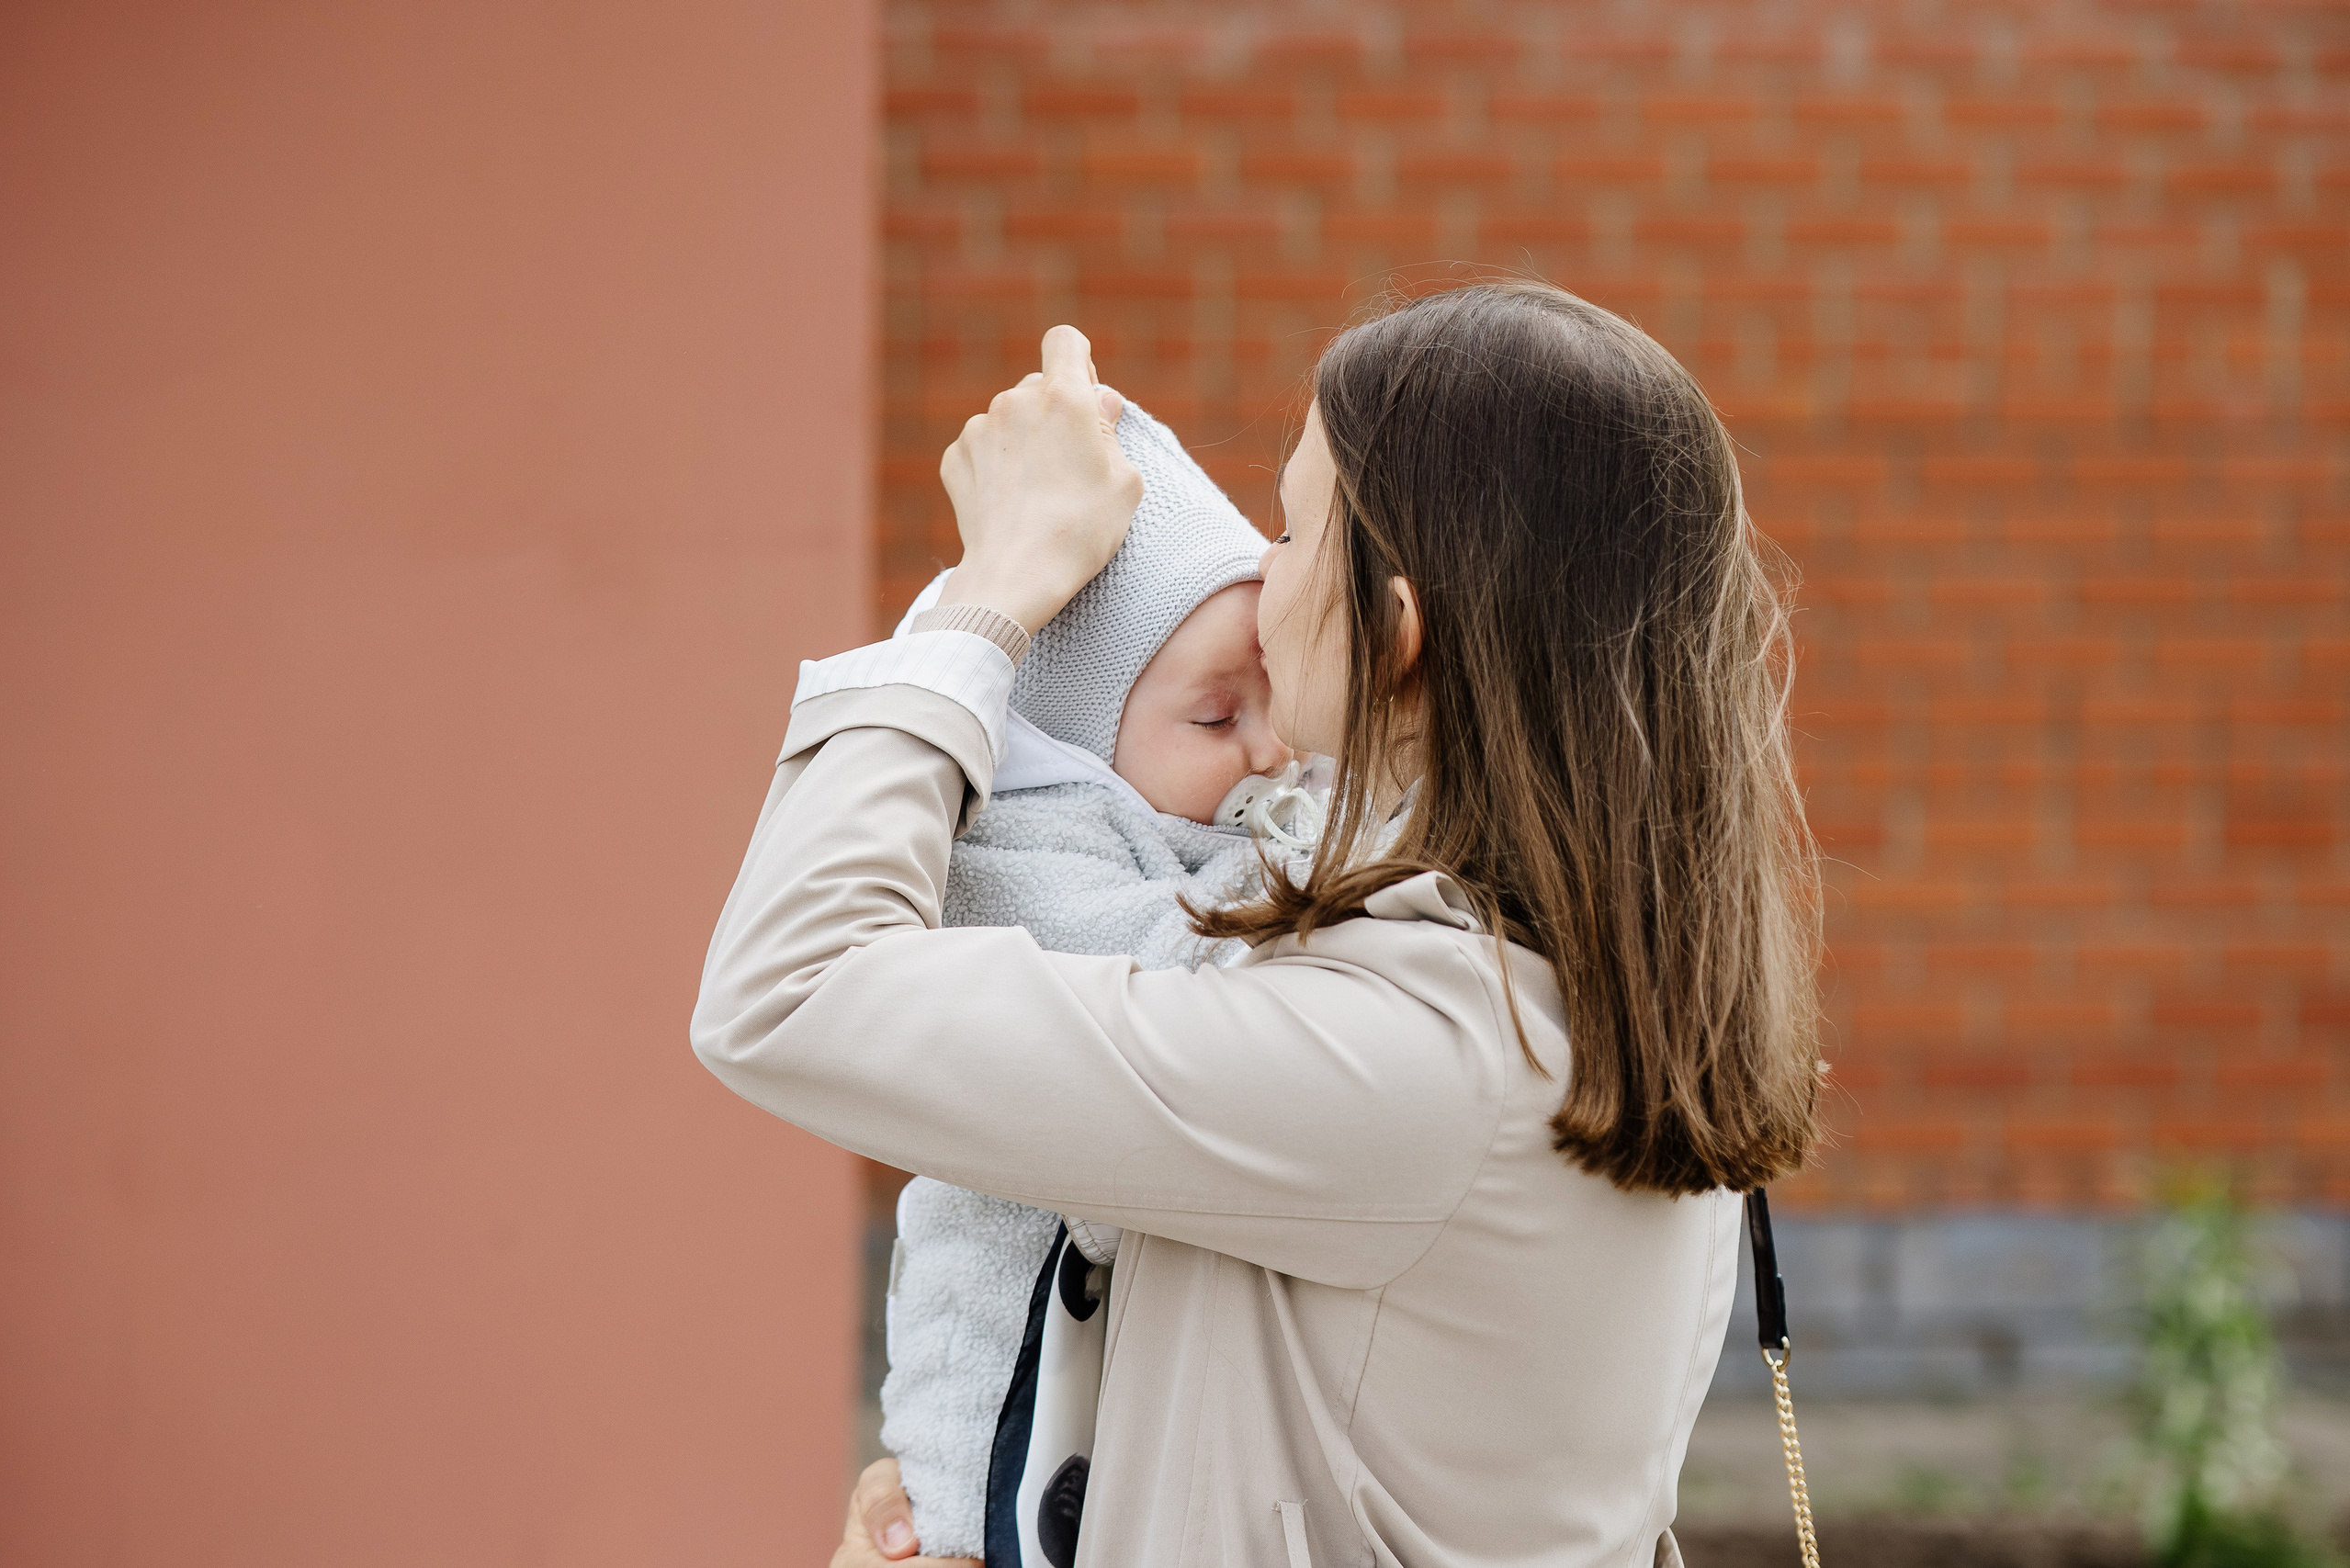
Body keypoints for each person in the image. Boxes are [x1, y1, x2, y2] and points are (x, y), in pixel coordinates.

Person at [694, 281, 1823, 1568]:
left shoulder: (1414, 1052)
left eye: (1288, 533)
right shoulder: (1557, 985)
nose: (1256, 577)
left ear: (1397, 631)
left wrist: (990, 591)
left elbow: (788, 988)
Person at [881, 398, 1302, 1567]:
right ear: (1069, 728)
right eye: (1219, 712)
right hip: (1009, 1371)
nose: (1271, 750)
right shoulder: (1012, 854)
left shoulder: (1194, 811)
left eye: (1272, 699)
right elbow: (1172, 991)